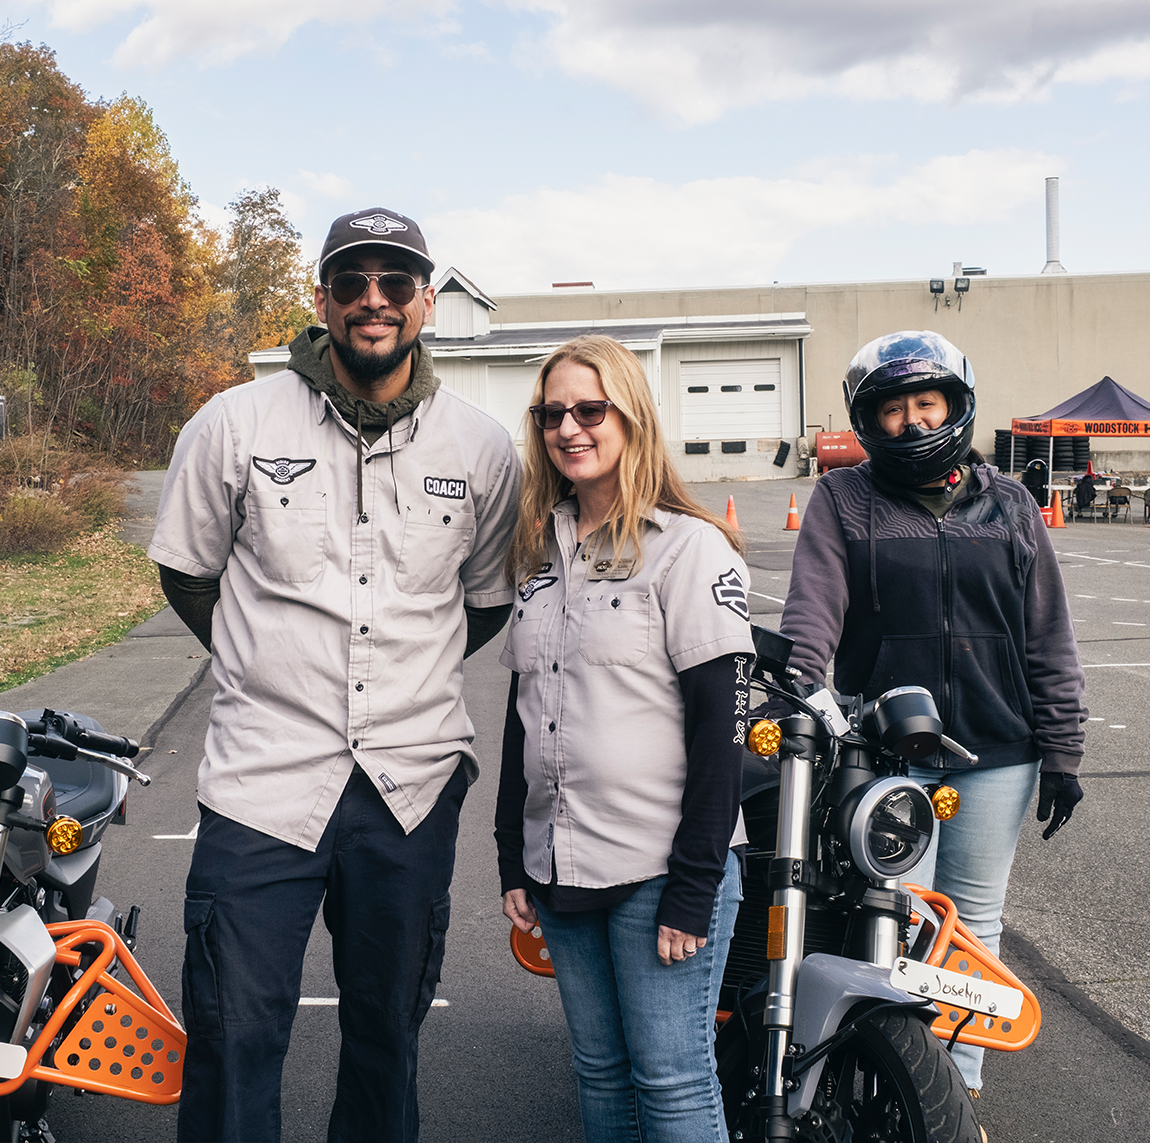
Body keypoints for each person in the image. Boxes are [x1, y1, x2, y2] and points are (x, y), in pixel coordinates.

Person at [149, 207, 521, 1142]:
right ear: (321, 298)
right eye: (351, 281)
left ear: (426, 301)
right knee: (234, 1036)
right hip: (262, 780)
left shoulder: (480, 449)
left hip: (409, 783)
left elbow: (482, 603)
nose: (372, 300)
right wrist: (265, 659)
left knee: (386, 1040)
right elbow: (189, 573)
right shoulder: (234, 423)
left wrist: (404, 670)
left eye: (395, 282)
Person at [779, 330, 1086, 1100]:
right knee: (896, 922)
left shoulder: (1011, 504)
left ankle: (957, 1090)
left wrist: (1065, 749)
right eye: (892, 409)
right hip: (886, 756)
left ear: (955, 404)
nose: (912, 421)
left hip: (997, 752)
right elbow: (812, 610)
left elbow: (1047, 632)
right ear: (868, 420)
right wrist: (802, 685)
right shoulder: (842, 499)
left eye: (927, 402)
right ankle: (890, 1082)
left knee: (971, 930)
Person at [494, 334, 753, 1143]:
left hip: (658, 869)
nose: (568, 427)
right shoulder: (538, 553)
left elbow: (723, 731)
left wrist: (692, 886)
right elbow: (523, 709)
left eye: (589, 409)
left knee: (673, 1084)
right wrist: (513, 854)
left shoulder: (688, 546)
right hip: (563, 867)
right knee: (600, 1078)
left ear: (631, 416)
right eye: (551, 414)